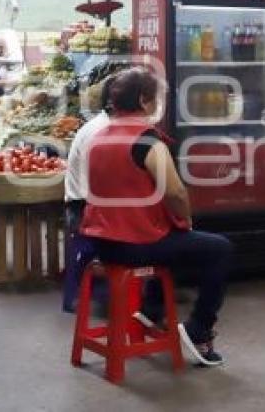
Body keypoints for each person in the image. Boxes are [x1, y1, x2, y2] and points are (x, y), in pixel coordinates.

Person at [79, 68, 233, 367]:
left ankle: (151, 309)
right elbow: (175, 193)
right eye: (156, 98)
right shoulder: (147, 141)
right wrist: (186, 220)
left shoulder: (97, 138)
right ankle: (199, 330)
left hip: (100, 242)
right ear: (143, 100)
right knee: (218, 248)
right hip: (133, 245)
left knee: (176, 242)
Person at [62, 75, 116, 313]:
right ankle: (118, 299)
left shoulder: (102, 125)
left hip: (85, 205)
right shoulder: (104, 131)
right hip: (86, 209)